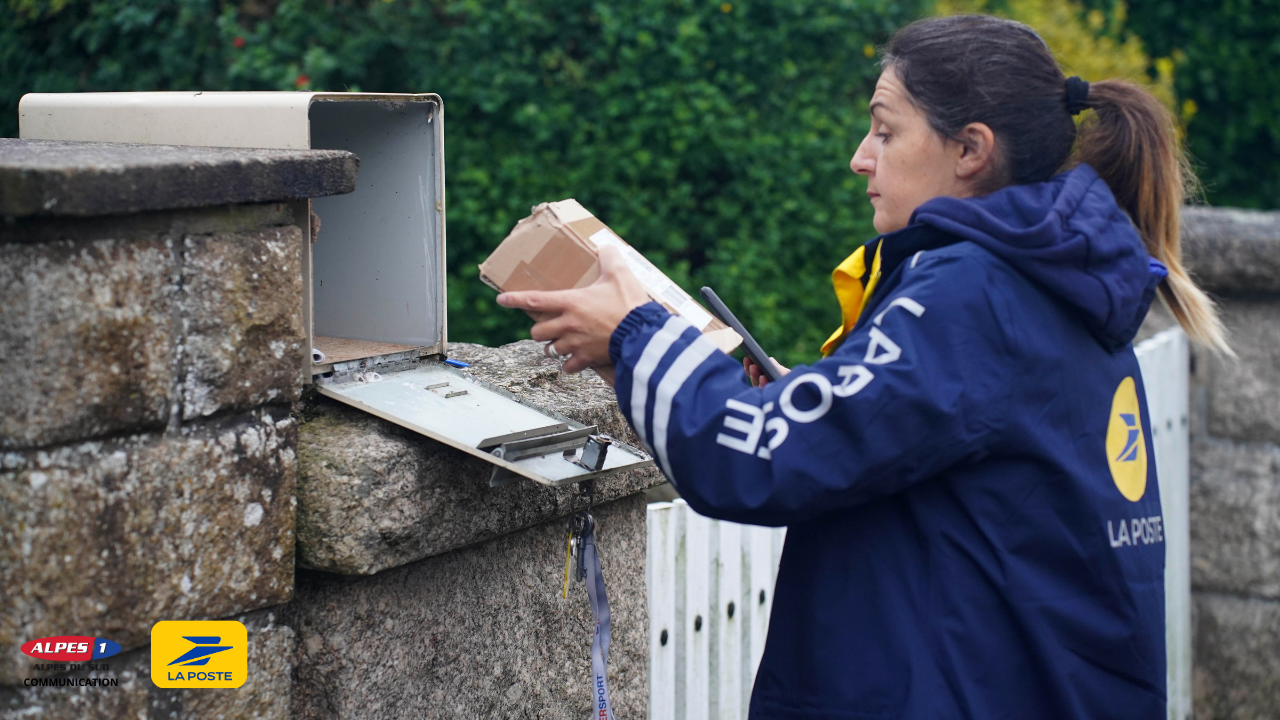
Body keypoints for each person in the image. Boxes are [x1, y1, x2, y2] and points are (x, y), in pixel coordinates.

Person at [497, 14, 1230, 719]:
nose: (860, 156)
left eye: (886, 130)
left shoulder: (974, 294)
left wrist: (635, 333)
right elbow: (942, 461)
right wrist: (805, 400)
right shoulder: (1052, 275)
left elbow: (755, 463)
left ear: (970, 150)